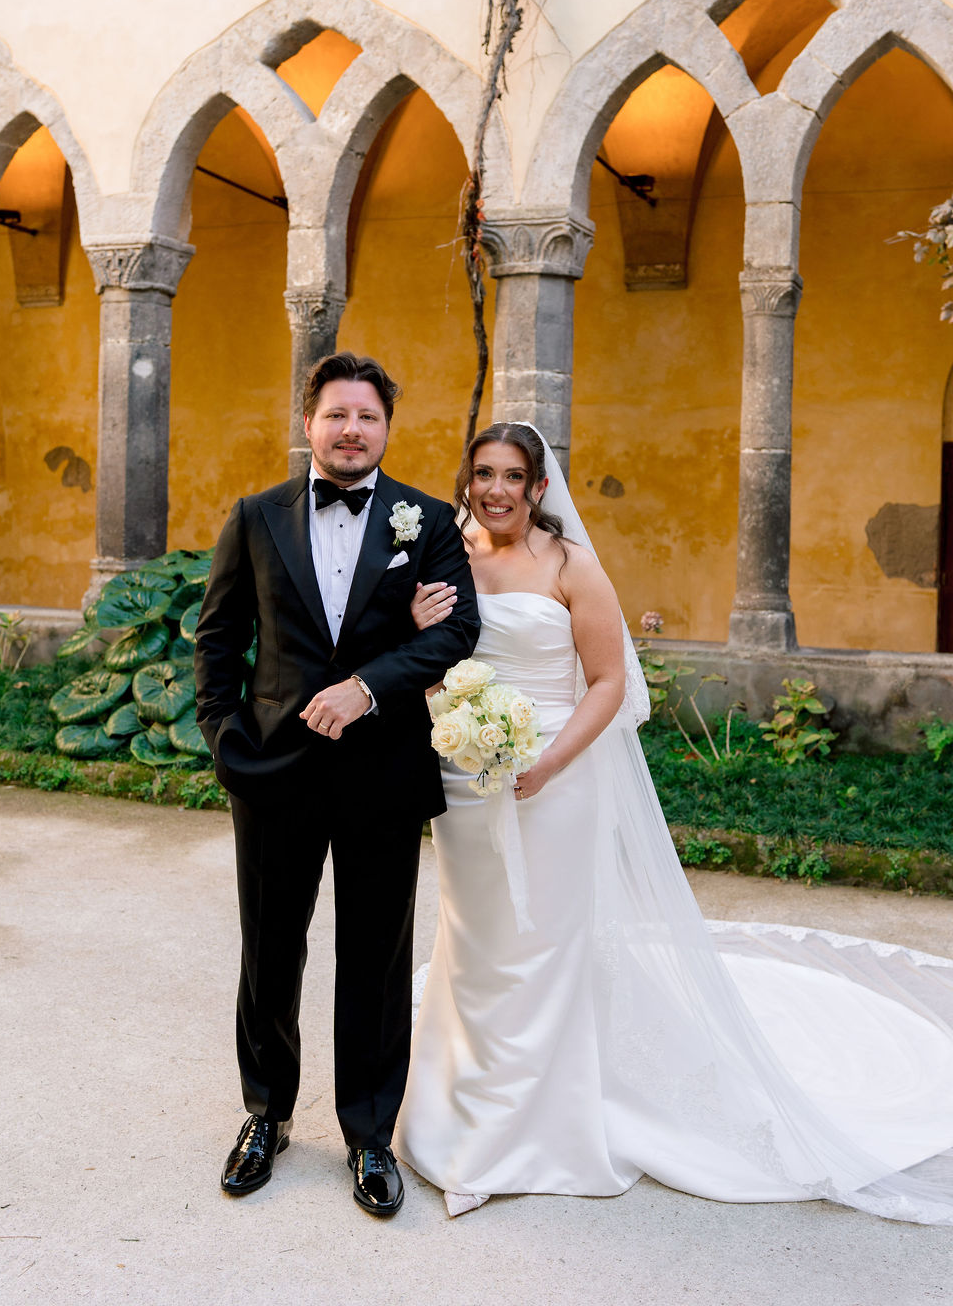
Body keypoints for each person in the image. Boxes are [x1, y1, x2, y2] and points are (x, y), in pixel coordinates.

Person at [394, 421, 953, 1224]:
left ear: (540, 487)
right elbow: (429, 663)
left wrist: (549, 763)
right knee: (475, 942)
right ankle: (457, 1115)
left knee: (544, 946)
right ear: (467, 479)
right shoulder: (446, 556)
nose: (496, 490)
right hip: (467, 772)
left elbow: (608, 683)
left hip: (556, 777)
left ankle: (517, 1136)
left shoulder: (571, 564)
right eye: (484, 473)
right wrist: (426, 653)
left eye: (513, 476)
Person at [194, 351, 479, 1216]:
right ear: (308, 422)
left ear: (386, 428)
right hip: (272, 773)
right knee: (269, 951)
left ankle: (368, 1133)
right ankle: (265, 1116)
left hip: (384, 772)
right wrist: (224, 740)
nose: (352, 430)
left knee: (376, 960)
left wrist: (368, 686)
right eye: (337, 415)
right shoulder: (255, 518)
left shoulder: (427, 521)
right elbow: (218, 638)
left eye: (368, 416)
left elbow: (458, 628)